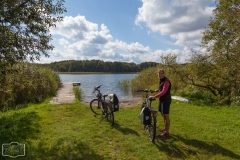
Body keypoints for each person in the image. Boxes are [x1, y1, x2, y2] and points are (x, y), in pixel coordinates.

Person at [149, 69, 171, 137]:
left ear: (164, 74)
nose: (160, 74)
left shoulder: (166, 81)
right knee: (163, 114)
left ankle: (166, 132)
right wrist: (156, 90)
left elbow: (164, 91)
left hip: (166, 100)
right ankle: (165, 128)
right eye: (159, 73)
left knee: (166, 116)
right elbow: (161, 88)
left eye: (161, 73)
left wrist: (155, 96)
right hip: (161, 100)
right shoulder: (161, 80)